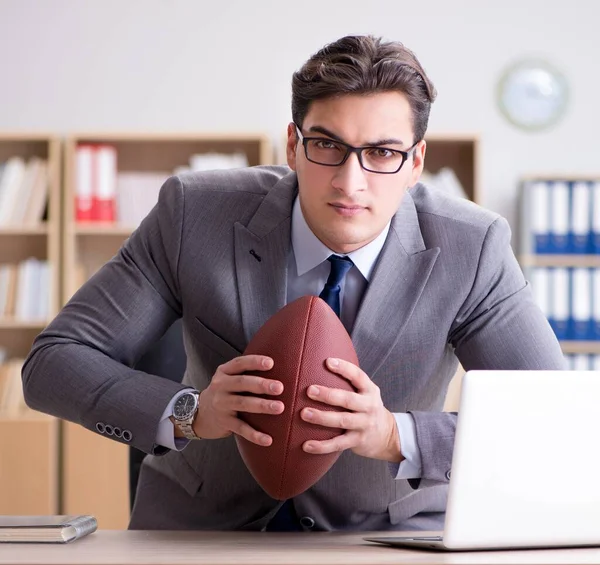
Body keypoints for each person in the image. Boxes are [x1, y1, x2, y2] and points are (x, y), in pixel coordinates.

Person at [22, 34, 565, 532]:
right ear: (292, 144)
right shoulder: (194, 214)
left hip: (384, 536)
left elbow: (553, 421)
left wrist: (397, 436)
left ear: (416, 161)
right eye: (327, 145)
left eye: (381, 153)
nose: (350, 183)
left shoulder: (472, 248)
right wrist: (190, 412)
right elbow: (54, 361)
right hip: (200, 531)